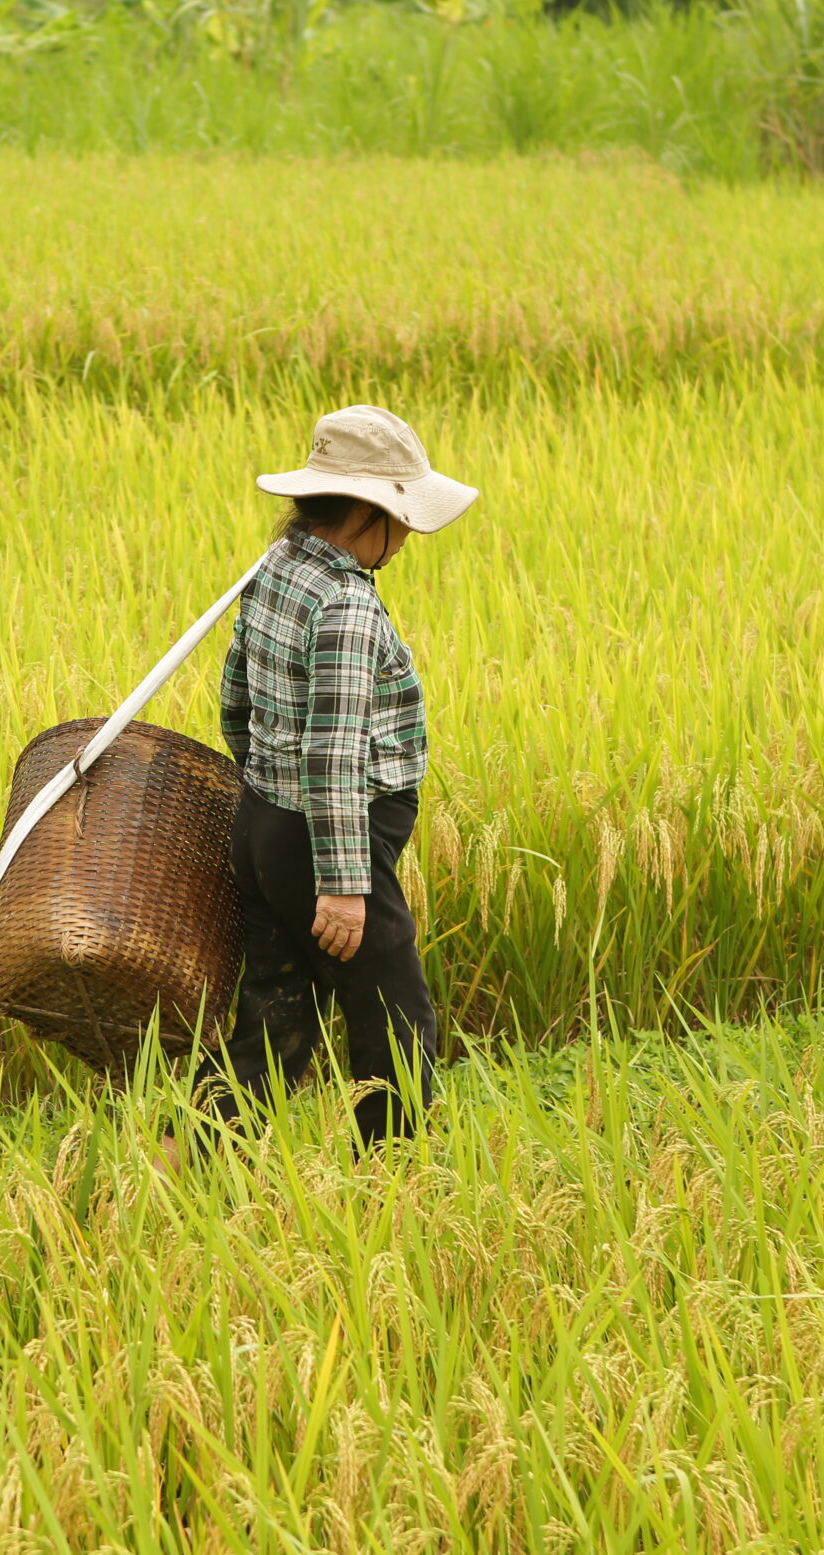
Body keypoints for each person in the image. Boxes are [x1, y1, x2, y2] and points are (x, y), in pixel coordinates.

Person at [189, 404, 479, 1151]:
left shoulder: (276, 568)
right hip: (328, 845)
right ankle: (398, 1179)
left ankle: (183, 1161)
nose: (410, 535)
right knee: (396, 1015)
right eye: (404, 516)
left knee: (275, 1013)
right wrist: (345, 884)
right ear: (368, 512)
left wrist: (263, 797)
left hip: (264, 824)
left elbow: (237, 698)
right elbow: (333, 752)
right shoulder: (347, 604)